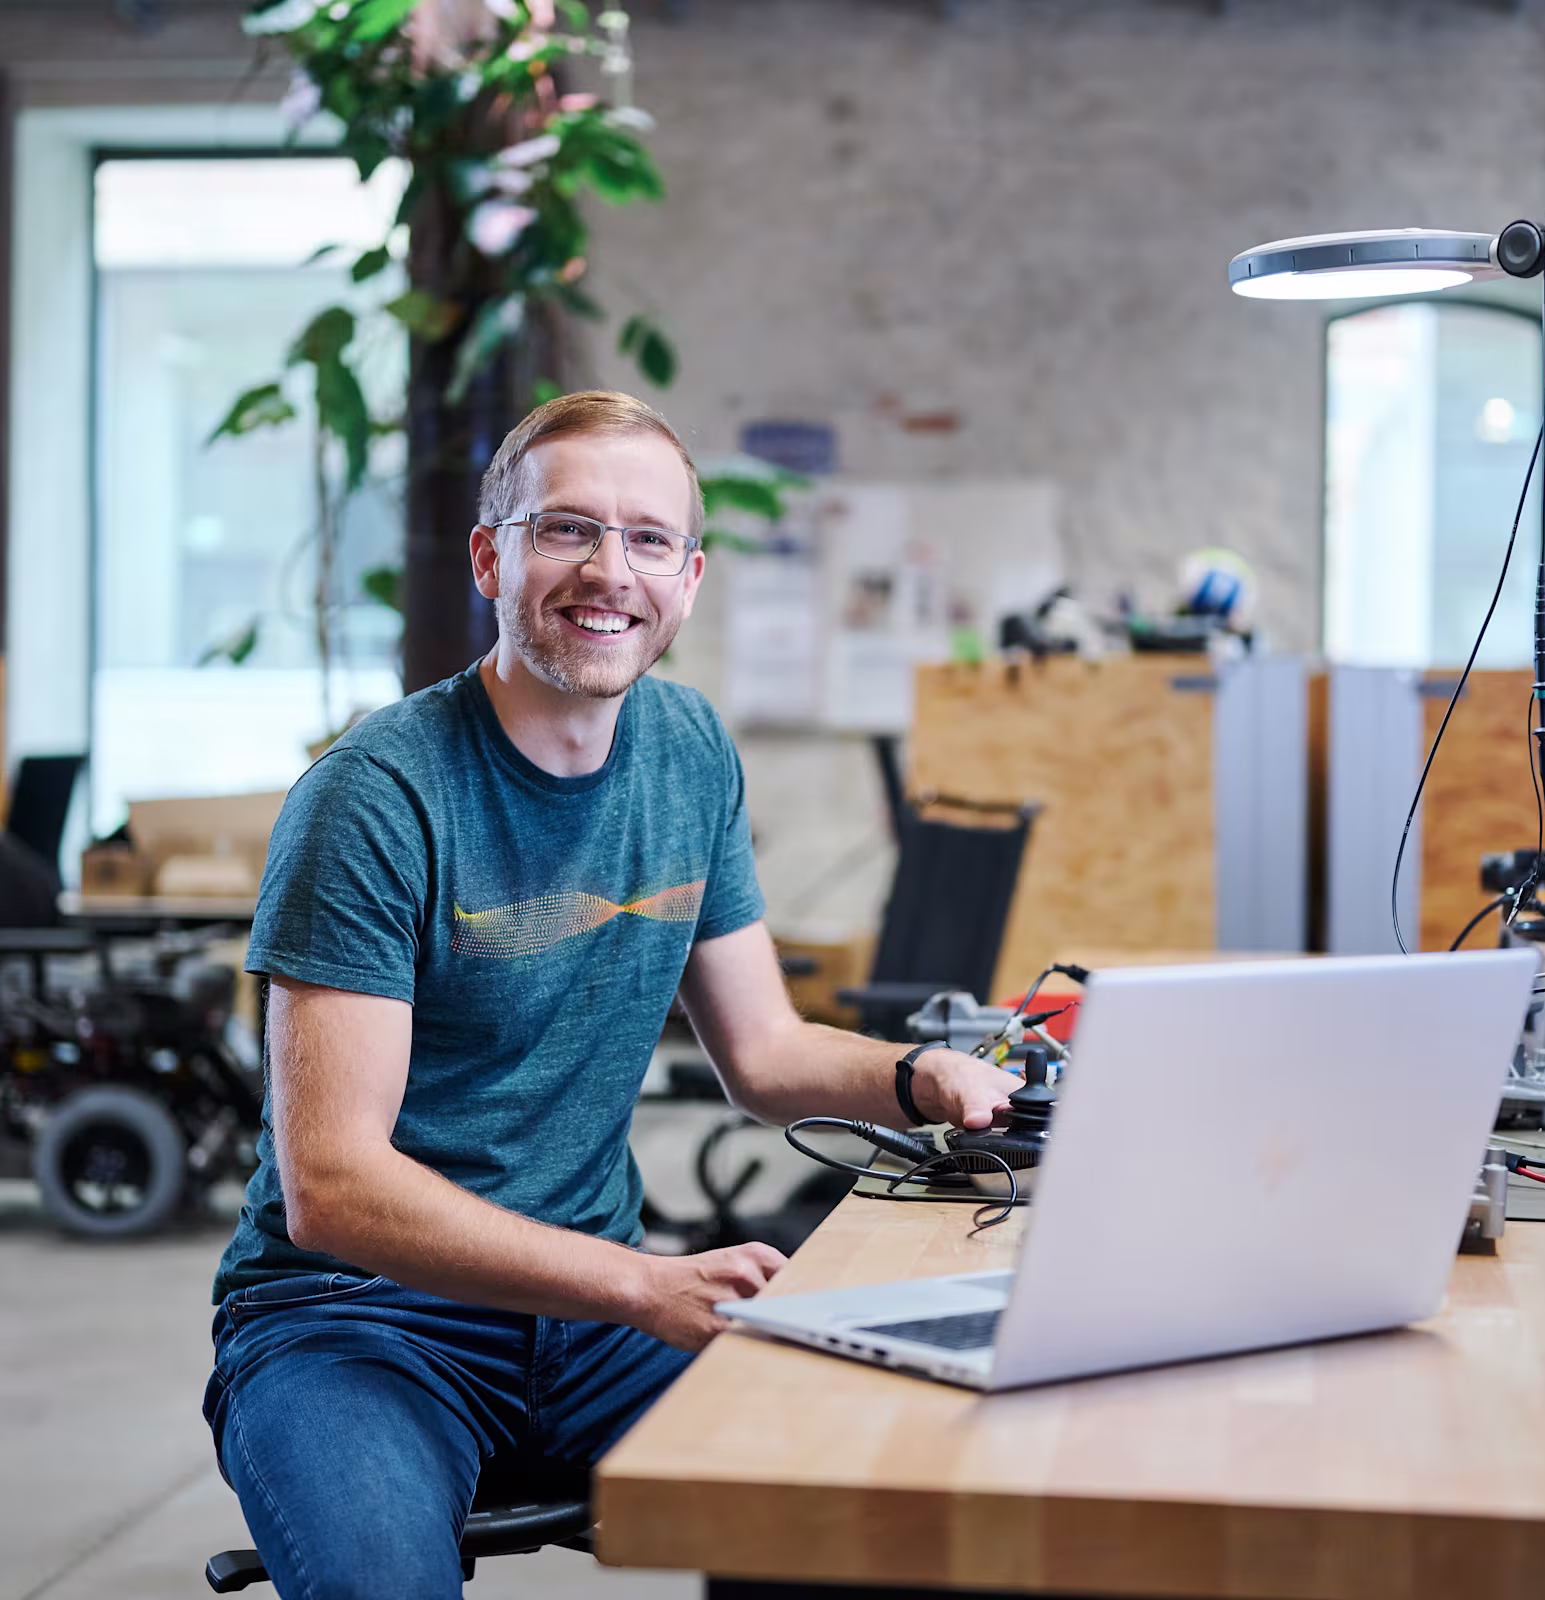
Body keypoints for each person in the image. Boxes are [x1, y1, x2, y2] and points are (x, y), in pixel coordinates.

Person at [203, 391, 1017, 1600]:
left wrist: (920, 1077)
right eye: (566, 528)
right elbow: (331, 1186)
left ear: (688, 581)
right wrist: (645, 1283)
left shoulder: (688, 751)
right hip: (357, 1322)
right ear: (493, 557)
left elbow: (765, 1051)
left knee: (866, 1503)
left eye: (646, 540)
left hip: (587, 1327)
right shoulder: (374, 798)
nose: (608, 571)